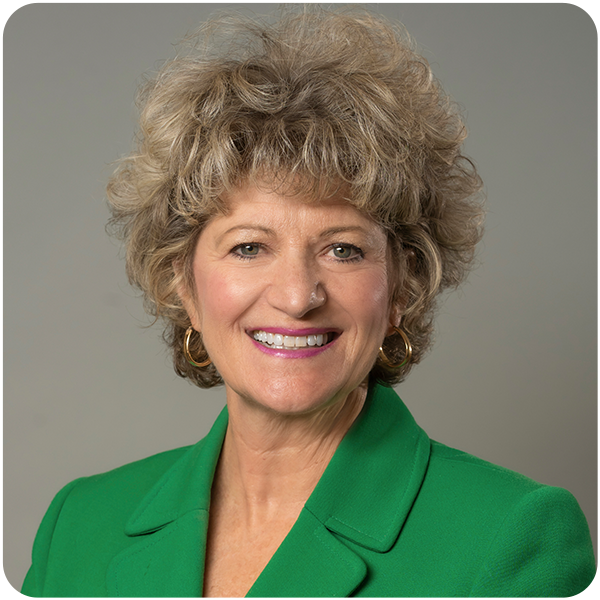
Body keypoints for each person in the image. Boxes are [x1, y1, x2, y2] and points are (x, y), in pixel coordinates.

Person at [20, 5, 598, 598]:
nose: (297, 297)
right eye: (248, 247)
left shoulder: (511, 538)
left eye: (343, 250)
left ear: (402, 286)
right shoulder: (78, 526)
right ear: (182, 285)